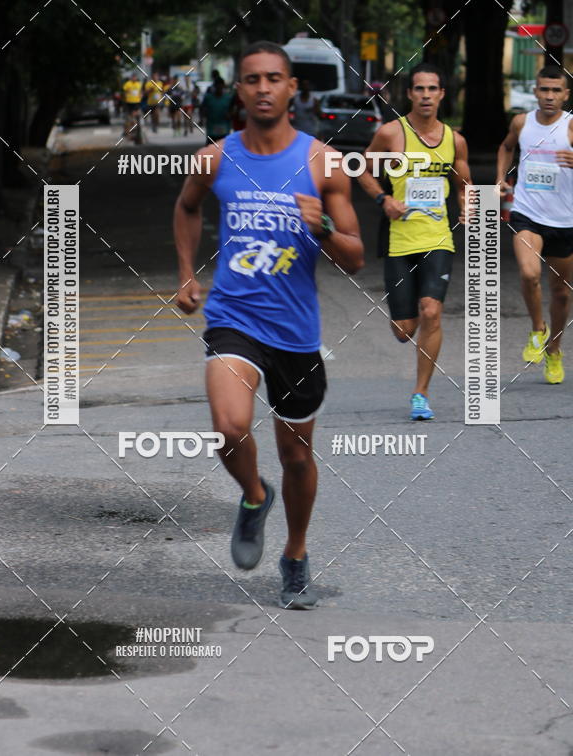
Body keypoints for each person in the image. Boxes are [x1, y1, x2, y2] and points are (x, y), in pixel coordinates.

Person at [174, 41, 364, 608]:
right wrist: (186, 274)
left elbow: (356, 257)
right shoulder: (214, 159)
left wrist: (324, 227)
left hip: (296, 332)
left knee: (297, 457)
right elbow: (187, 207)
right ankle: (255, 496)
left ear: (291, 89)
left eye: (274, 78)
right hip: (233, 318)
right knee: (230, 428)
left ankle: (296, 555)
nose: (263, 88)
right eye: (252, 79)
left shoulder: (323, 163)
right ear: (239, 89)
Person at [359, 62, 471, 420]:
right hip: (399, 240)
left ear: (442, 94)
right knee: (403, 331)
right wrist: (384, 199)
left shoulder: (455, 140)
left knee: (431, 311)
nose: (426, 95)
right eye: (419, 89)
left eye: (432, 89)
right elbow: (361, 169)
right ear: (409, 94)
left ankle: (420, 394)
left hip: (438, 239)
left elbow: (464, 185)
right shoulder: (391, 134)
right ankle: (413, 323)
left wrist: (467, 206)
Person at [496, 65, 573, 383]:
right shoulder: (522, 122)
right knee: (529, 273)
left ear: (566, 95)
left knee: (561, 293)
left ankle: (554, 350)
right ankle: (538, 329)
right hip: (527, 213)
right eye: (544, 89)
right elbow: (506, 147)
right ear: (535, 91)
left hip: (565, 220)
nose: (549, 96)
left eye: (556, 91)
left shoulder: (571, 126)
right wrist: (500, 178)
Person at [200, 77, 233, 145]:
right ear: (215, 86)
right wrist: (203, 117)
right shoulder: (208, 98)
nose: (219, 88)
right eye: (218, 87)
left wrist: (230, 115)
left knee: (224, 148)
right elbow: (202, 108)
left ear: (223, 86)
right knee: (211, 148)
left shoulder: (228, 98)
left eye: (220, 87)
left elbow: (232, 111)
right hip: (211, 129)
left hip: (224, 129)